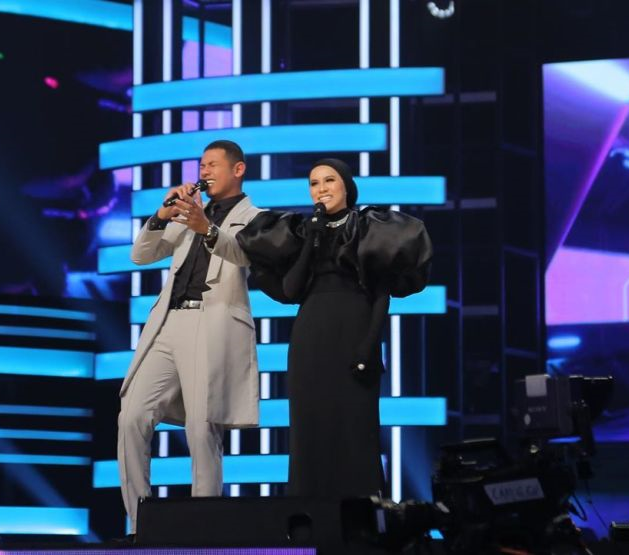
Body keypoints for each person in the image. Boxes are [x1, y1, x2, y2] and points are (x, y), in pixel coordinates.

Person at [237, 158, 432, 498]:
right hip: (310, 335)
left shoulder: (370, 227)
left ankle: (362, 518)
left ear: (346, 186)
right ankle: (309, 515)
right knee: (309, 428)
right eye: (314, 183)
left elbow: (381, 294)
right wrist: (311, 241)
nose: (321, 189)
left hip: (355, 331)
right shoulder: (302, 231)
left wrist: (369, 347)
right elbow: (290, 291)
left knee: (356, 429)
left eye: (329, 180)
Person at [117, 140, 261, 534]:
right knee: (132, 416)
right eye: (202, 165)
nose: (204, 172)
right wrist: (162, 215)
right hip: (169, 322)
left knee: (202, 427)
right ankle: (140, 526)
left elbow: (243, 255)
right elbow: (141, 255)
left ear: (238, 169)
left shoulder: (254, 217)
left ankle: (203, 528)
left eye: (213, 164)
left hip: (211, 322)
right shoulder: (189, 212)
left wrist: (206, 228)